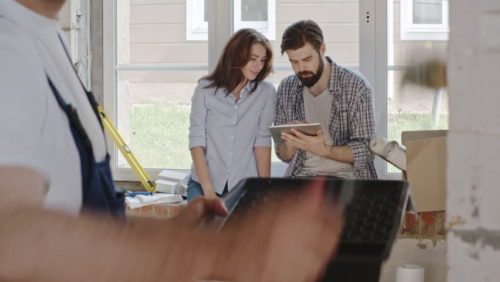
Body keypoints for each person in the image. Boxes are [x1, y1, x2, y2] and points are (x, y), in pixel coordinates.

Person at [0, 1, 344, 281]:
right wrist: (217, 252)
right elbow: (9, 239)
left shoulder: (45, 35)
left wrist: (171, 231)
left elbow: (78, 210)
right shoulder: (7, 43)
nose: (257, 66)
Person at [274, 19, 377, 179]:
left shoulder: (356, 86)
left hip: (349, 178)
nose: (301, 68)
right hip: (301, 177)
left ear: (322, 49)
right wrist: (291, 143)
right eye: (294, 62)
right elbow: (283, 155)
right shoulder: (286, 88)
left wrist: (324, 150)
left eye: (307, 60)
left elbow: (367, 151)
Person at [188, 28, 276, 201]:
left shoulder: (266, 93)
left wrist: (264, 191)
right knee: (204, 224)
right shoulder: (205, 90)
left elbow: (262, 141)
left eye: (262, 60)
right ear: (236, 56)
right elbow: (197, 141)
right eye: (253, 59)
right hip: (203, 184)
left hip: (244, 184)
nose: (259, 66)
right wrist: (209, 192)